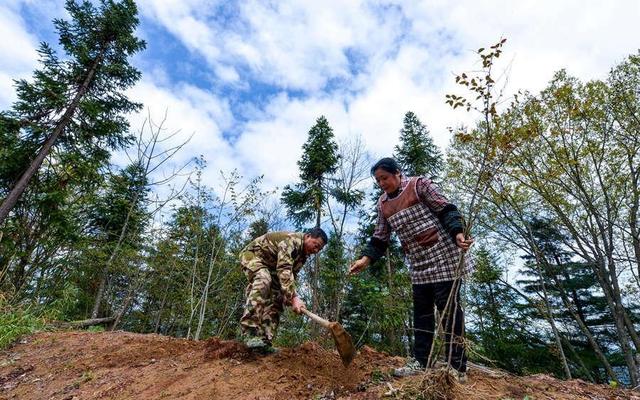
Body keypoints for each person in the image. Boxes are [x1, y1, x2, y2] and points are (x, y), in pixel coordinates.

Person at [349, 157, 473, 382]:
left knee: (449, 313)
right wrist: (365, 260)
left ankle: (458, 367)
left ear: (397, 173)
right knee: (422, 313)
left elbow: (446, 209)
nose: (381, 183)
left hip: (445, 255)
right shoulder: (383, 204)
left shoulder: (419, 185)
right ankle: (421, 361)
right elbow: (380, 237)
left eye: (384, 178)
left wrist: (458, 232)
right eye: (377, 181)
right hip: (418, 263)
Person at [239, 227, 327, 353]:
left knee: (279, 297)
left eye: (319, 249)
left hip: (272, 267)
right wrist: (294, 297)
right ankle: (250, 332)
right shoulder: (291, 241)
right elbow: (284, 268)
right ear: (308, 236)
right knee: (264, 279)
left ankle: (264, 341)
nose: (316, 250)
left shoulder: (302, 256)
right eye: (316, 245)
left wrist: (288, 296)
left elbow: (292, 274)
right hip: (253, 256)